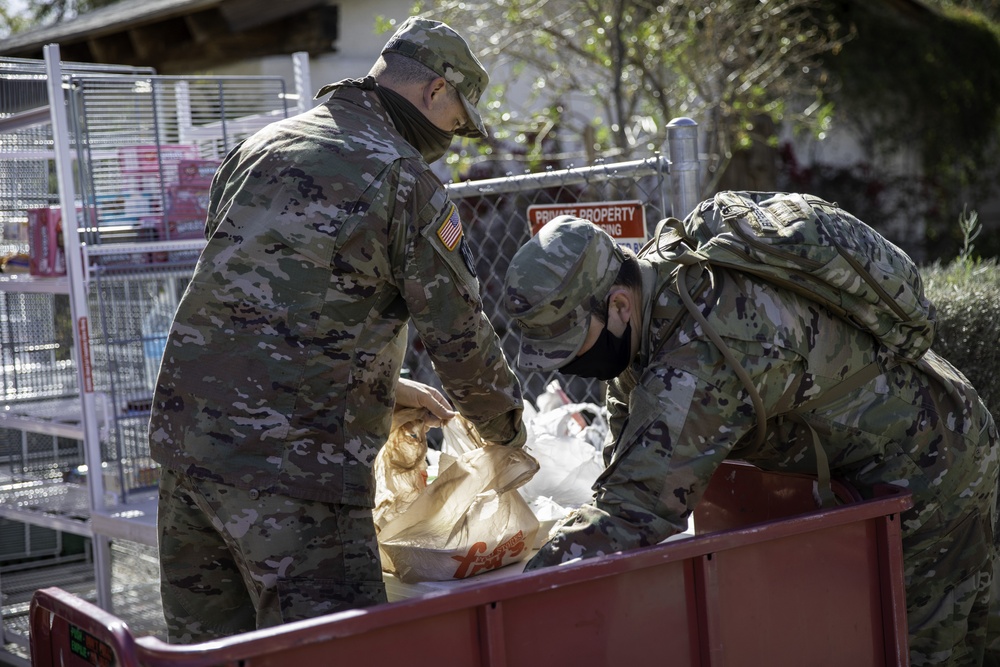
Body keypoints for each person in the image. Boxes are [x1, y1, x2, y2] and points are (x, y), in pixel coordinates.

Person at [148, 16, 526, 643]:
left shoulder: (260, 147)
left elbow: (252, 304)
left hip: (189, 456)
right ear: (436, 92)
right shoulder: (404, 180)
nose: (448, 141)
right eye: (456, 125)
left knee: (212, 655)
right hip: (298, 481)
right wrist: (507, 435)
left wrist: (389, 386)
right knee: (336, 655)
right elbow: (461, 341)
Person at [502, 210, 998, 667]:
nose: (568, 366)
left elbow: (637, 507)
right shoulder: (653, 282)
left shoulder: (700, 355)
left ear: (618, 305)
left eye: (572, 347)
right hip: (905, 454)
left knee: (921, 650)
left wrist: (512, 590)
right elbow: (627, 454)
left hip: (932, 468)